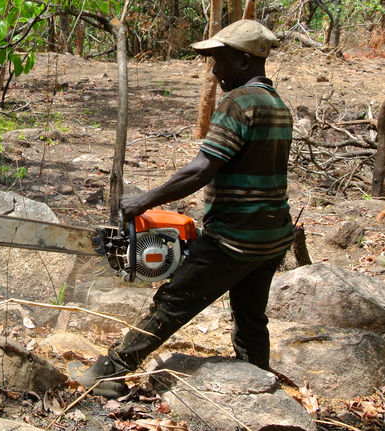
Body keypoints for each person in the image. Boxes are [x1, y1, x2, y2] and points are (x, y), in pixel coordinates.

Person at [73, 19, 295, 398]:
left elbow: (202, 169)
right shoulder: (278, 104)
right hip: (271, 237)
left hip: (234, 238)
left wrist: (143, 200)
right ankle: (258, 384)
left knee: (173, 302)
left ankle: (110, 371)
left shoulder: (239, 102)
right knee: (251, 318)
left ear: (244, 61)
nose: (215, 70)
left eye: (220, 61)